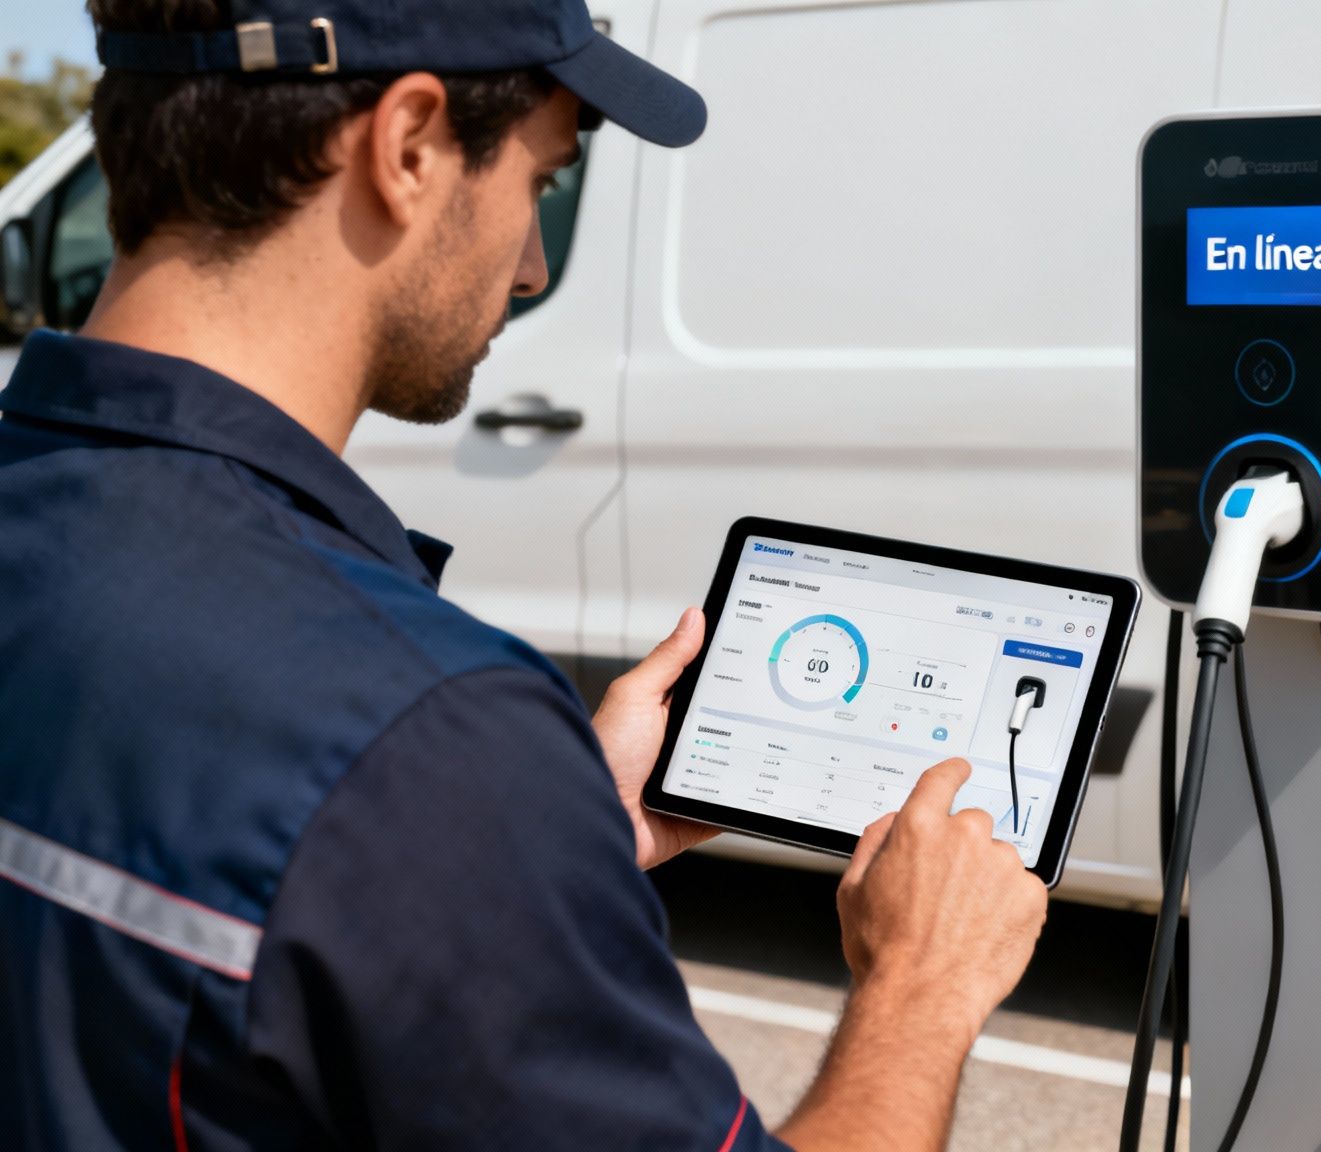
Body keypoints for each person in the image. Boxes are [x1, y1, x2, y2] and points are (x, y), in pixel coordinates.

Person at [0, 2, 1050, 1149]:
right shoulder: (422, 742)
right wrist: (923, 985)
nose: (533, 265)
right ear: (406, 147)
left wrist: (534, 837)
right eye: (542, 180)